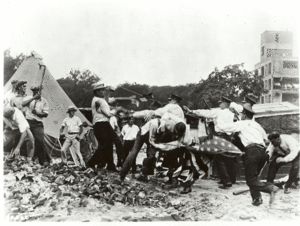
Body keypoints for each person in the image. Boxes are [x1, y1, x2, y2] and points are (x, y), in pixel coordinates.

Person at [218, 103, 279, 206]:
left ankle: (270, 188)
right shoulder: (258, 126)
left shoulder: (242, 123)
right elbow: (266, 140)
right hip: (262, 153)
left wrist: (217, 121)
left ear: (244, 115)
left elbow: (223, 128)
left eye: (242, 114)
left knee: (251, 181)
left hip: (252, 152)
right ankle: (257, 199)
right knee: (254, 176)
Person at [183, 96, 237, 189]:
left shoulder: (219, 112)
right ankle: (230, 179)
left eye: (221, 103)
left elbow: (206, 113)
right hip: (228, 137)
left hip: (220, 136)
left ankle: (226, 182)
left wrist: (192, 111)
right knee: (227, 159)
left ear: (225, 104)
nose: (220, 104)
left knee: (219, 160)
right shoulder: (232, 114)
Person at [85, 83, 117, 172]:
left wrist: (108, 93)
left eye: (103, 90)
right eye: (101, 90)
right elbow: (108, 114)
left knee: (109, 145)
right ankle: (91, 162)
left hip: (104, 123)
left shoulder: (101, 99)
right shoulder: (97, 101)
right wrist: (116, 110)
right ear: (96, 92)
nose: (103, 91)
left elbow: (106, 102)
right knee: (104, 145)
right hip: (100, 124)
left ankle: (110, 165)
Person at [22, 86, 50, 166]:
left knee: (40, 141)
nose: (36, 93)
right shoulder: (29, 98)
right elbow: (23, 104)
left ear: (40, 92)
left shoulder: (44, 101)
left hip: (38, 123)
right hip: (28, 122)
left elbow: (45, 114)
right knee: (27, 140)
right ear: (33, 92)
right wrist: (33, 98)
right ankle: (27, 159)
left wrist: (37, 113)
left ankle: (42, 161)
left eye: (38, 91)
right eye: (34, 92)